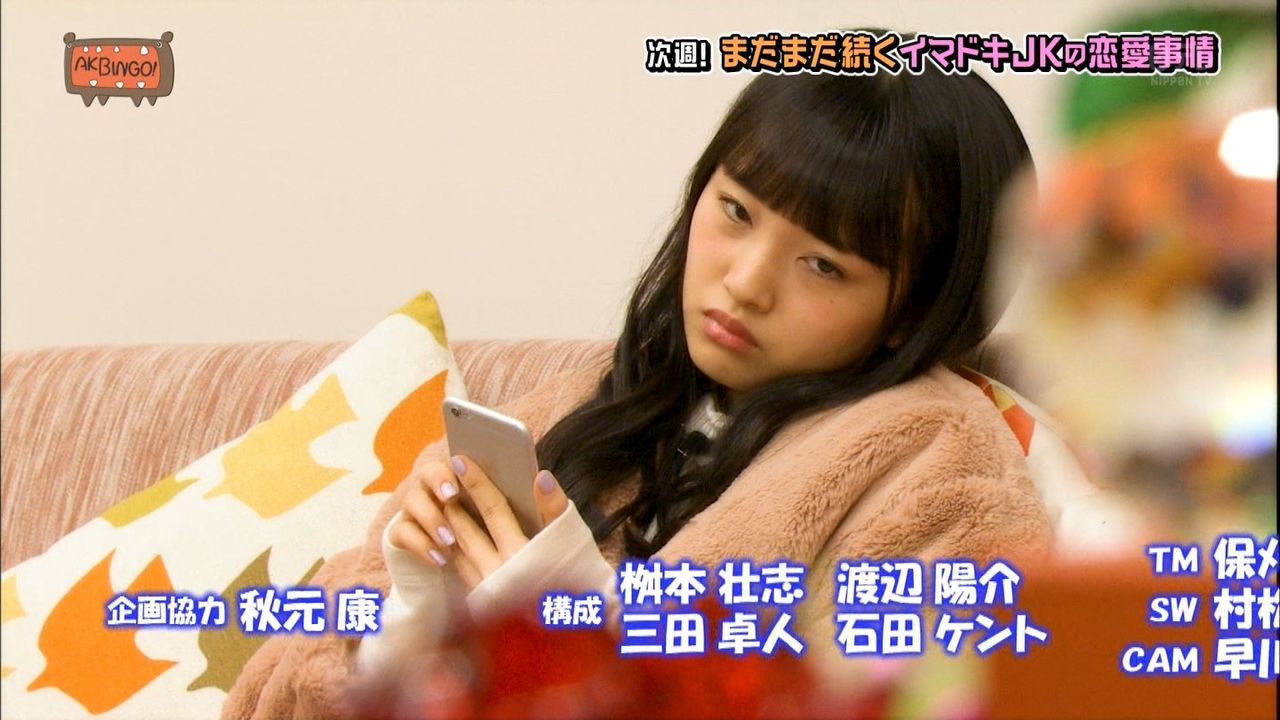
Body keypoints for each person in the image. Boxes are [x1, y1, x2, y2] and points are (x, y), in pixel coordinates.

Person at [223, 62, 1053, 718]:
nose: (746, 282)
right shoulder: (582, 406)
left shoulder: (935, 464)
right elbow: (270, 694)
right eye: (736, 212)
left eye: (823, 264)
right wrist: (406, 632)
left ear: (911, 313)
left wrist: (595, 645)